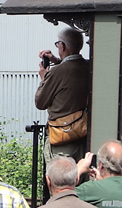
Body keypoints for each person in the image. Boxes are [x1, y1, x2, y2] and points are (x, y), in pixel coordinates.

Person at [36, 27, 90, 162]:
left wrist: (44, 78)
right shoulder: (89, 66)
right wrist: (57, 60)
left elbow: (40, 102)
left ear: (63, 46)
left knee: (60, 178)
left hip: (62, 137)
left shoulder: (56, 72)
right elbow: (71, 71)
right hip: (82, 133)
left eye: (58, 44)